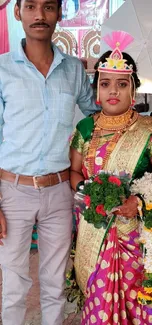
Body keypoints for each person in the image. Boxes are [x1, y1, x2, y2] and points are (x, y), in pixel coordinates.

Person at [0, 0, 98, 324]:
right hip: (12, 191)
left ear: (59, 12)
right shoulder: (2, 70)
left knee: (55, 286)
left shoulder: (72, 70)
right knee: (14, 286)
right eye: (30, 6)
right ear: (18, 12)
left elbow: (95, 120)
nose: (39, 15)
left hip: (59, 191)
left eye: (48, 7)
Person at [70, 31, 152, 324]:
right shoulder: (85, 128)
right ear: (96, 90)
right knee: (98, 299)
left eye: (122, 84)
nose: (113, 91)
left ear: (134, 89)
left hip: (135, 234)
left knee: (137, 305)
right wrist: (87, 192)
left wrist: (139, 201)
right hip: (94, 228)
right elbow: (74, 172)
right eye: (105, 84)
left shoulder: (149, 131)